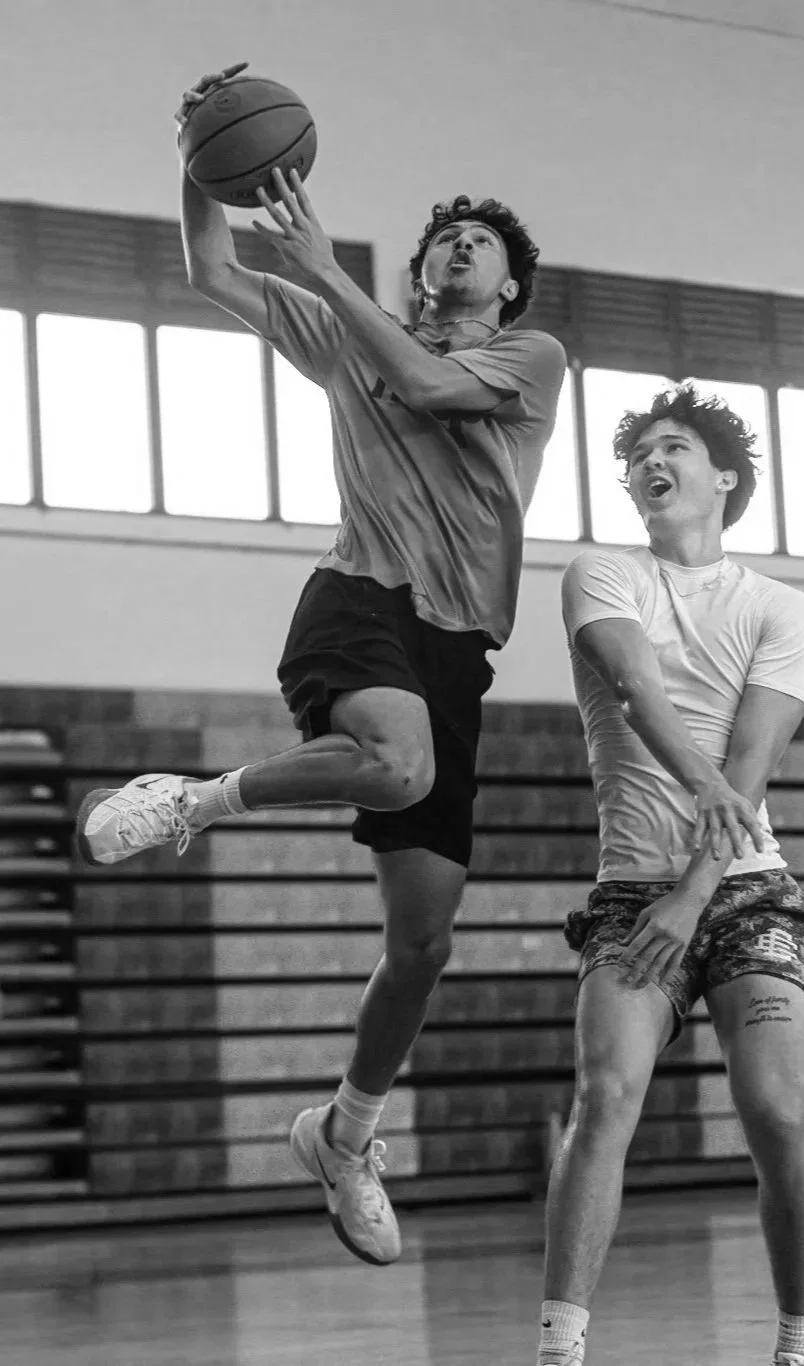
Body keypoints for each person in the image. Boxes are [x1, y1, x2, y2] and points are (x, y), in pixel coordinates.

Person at [74, 61, 568, 1267]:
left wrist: (331, 274)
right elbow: (209, 267)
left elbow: (424, 380)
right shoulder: (353, 327)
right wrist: (196, 154)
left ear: (507, 287)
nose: (455, 248)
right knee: (393, 766)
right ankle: (185, 803)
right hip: (360, 595)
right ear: (417, 269)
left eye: (475, 243)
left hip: (459, 642)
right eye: (441, 238)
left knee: (422, 942)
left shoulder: (529, 359)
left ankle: (343, 1133)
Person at [540, 383, 804, 1366]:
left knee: (777, 1111)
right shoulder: (600, 572)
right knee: (604, 1096)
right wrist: (696, 817)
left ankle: (800, 1345)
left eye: (673, 448)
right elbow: (631, 685)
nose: (649, 465)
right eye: (637, 457)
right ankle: (559, 1348)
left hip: (745, 890)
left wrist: (694, 889)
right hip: (631, 895)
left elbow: (750, 768)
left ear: (725, 476)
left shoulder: (779, 606)